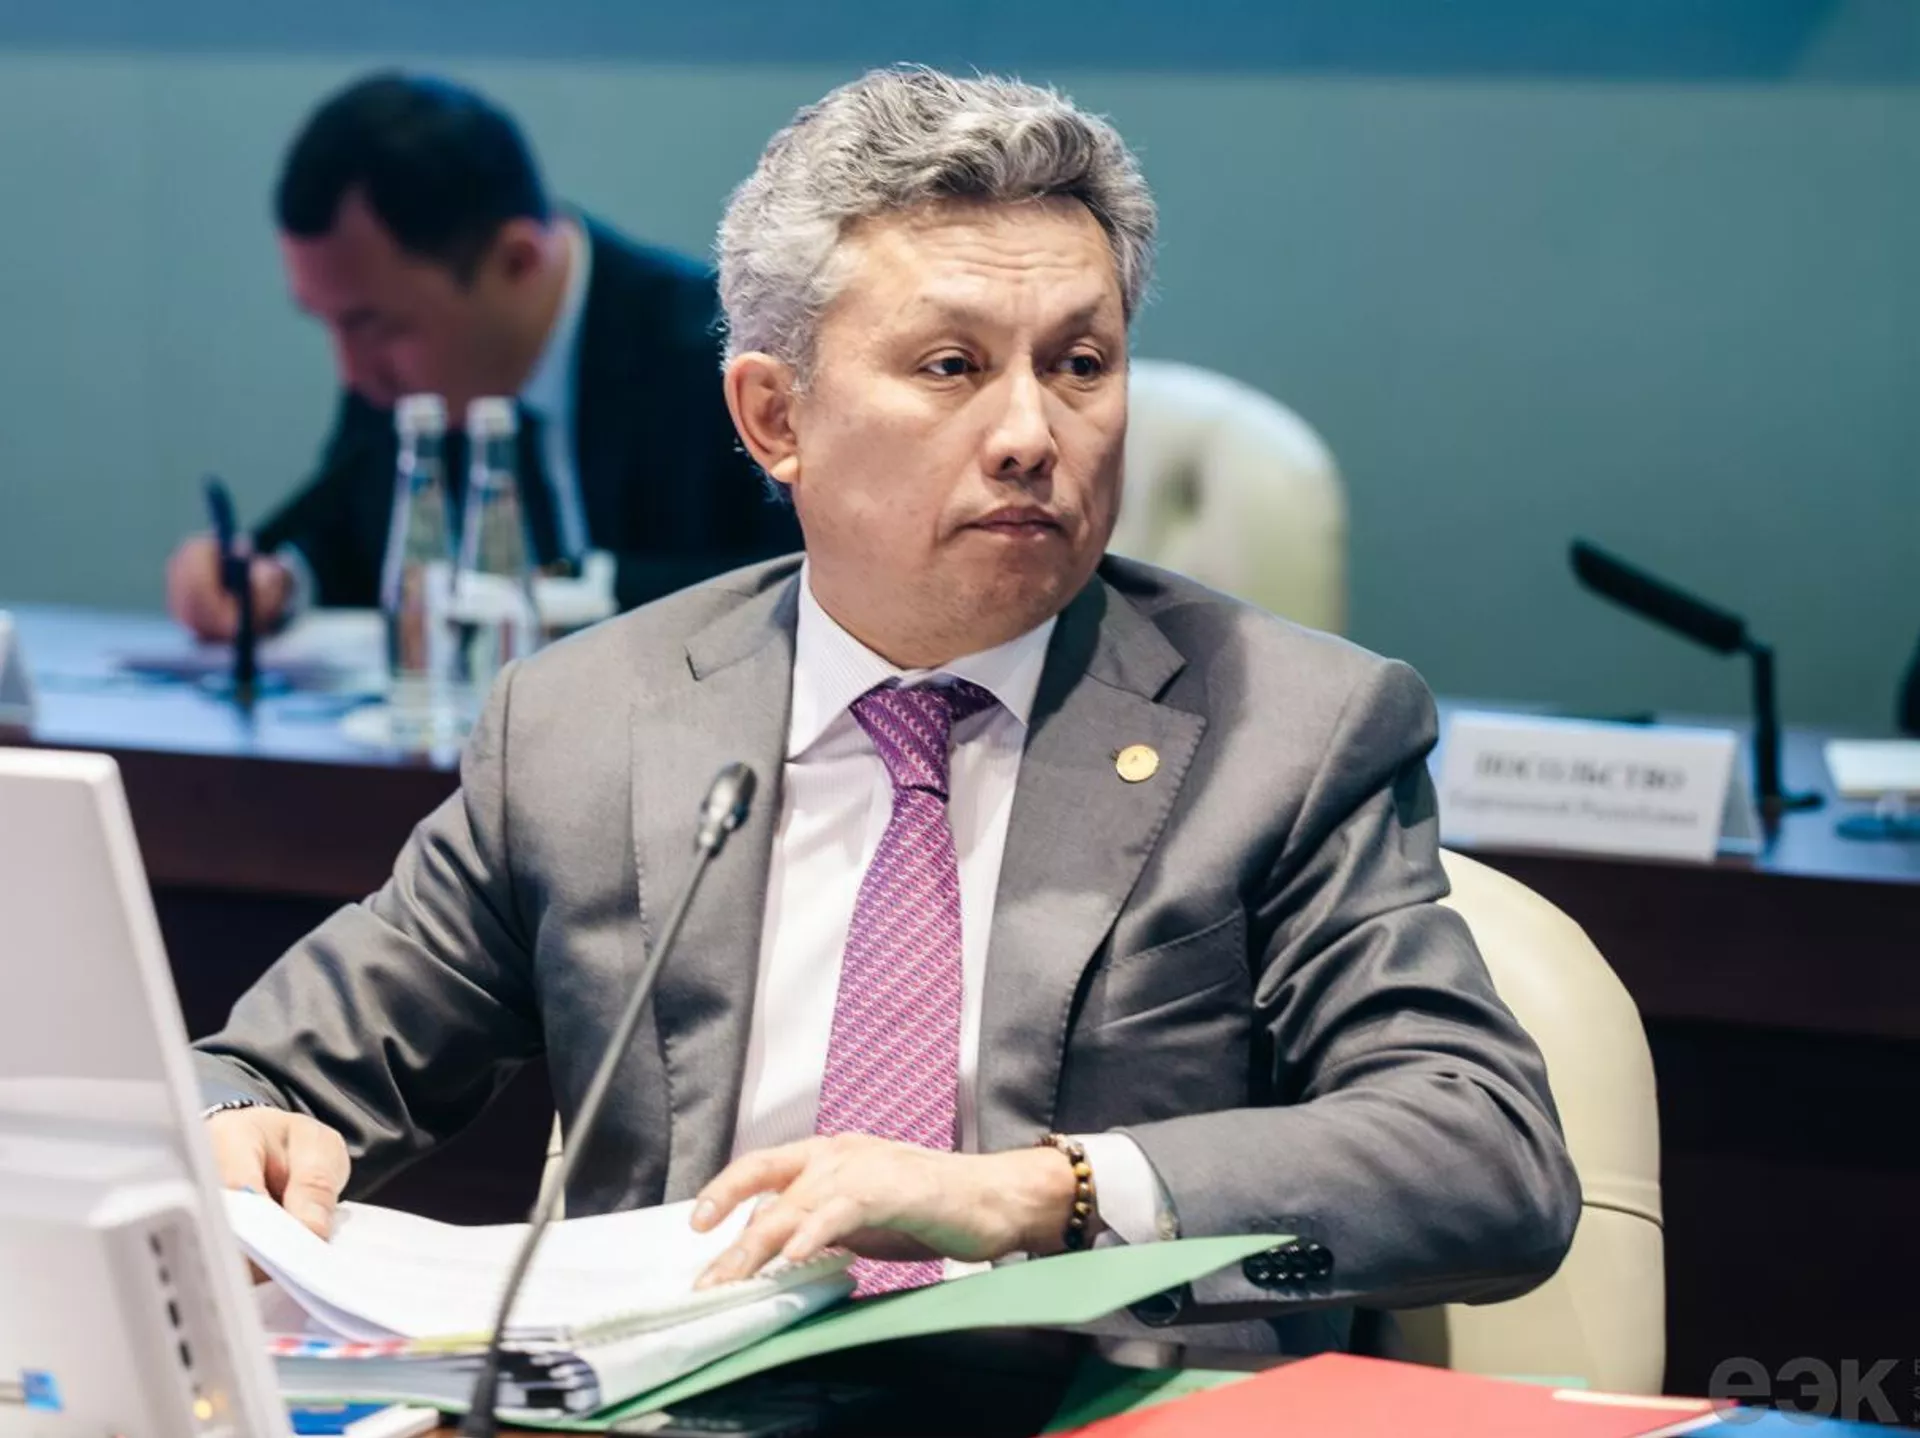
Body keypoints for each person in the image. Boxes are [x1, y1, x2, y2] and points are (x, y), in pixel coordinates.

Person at [194, 66, 1578, 1349]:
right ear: (773, 419)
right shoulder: (587, 726)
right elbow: (251, 1071)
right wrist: (242, 1120)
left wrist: (1043, 1191)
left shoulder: (1292, 731)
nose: (1031, 433)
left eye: (1080, 364)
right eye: (951, 366)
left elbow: (1484, 1155)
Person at [165, 71, 796, 641]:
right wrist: (274, 582)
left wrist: (569, 590)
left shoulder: (717, 362)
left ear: (516, 263)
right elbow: (349, 543)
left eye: (375, 324)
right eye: (330, 324)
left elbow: (794, 580)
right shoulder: (392, 375)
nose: (352, 372)